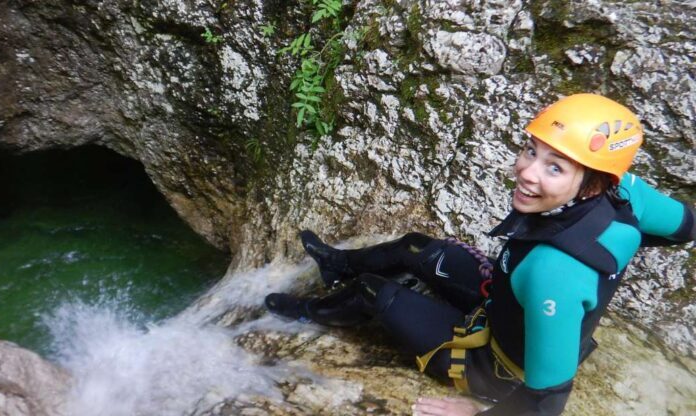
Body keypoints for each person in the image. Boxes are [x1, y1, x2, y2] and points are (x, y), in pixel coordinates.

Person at [264, 94, 696, 415]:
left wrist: (479, 411)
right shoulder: (628, 194)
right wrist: (619, 244)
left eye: (554, 167)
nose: (526, 172)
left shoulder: (553, 273)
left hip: (495, 366)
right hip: (506, 305)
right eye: (532, 151)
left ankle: (306, 311)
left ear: (593, 184)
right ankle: (338, 264)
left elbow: (546, 401)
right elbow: (686, 228)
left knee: (373, 293)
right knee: (417, 248)